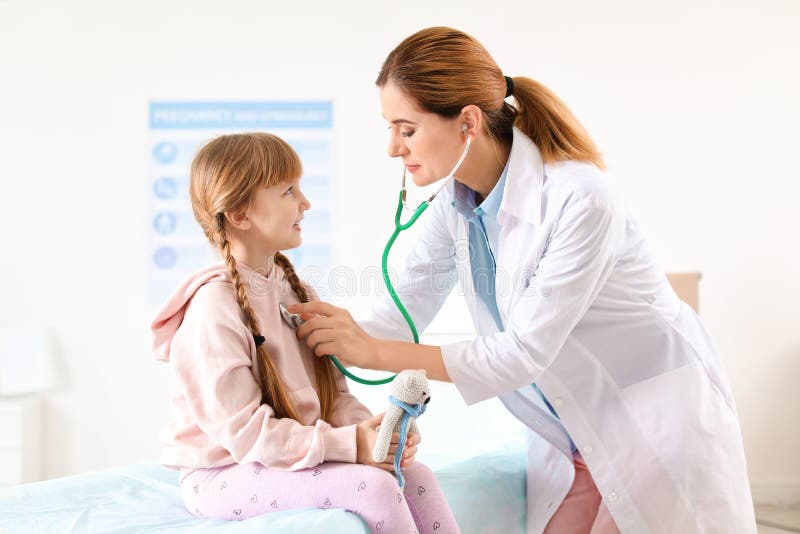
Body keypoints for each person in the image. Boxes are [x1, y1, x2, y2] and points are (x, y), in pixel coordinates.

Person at [289, 27, 756, 533]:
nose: (391, 148)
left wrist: (372, 353)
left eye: (406, 129)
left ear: (467, 122)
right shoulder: (455, 203)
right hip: (570, 431)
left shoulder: (580, 197)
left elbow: (520, 354)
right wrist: (305, 330)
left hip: (650, 418)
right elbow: (400, 313)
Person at [150, 132, 460, 533]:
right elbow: (247, 437)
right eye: (288, 191)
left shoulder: (294, 289)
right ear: (241, 214)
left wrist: (374, 436)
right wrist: (350, 447)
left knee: (418, 477)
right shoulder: (213, 310)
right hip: (222, 471)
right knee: (374, 487)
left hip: (282, 454)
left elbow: (333, 397)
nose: (305, 203)